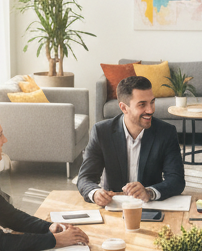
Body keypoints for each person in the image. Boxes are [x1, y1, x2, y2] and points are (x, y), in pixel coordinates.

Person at [0, 108, 89, 251]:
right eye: (0, 135)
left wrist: (48, 227)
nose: (4, 140)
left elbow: (8, 214)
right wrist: (56, 240)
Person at [77, 75, 185, 205]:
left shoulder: (166, 132)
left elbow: (176, 180)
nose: (150, 110)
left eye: (152, 102)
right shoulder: (101, 132)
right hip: (113, 205)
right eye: (142, 105)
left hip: (150, 206)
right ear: (123, 108)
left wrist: (149, 192)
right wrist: (94, 193)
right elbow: (85, 177)